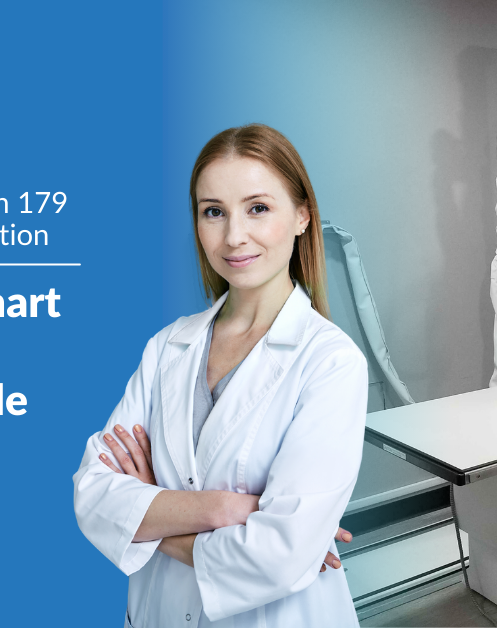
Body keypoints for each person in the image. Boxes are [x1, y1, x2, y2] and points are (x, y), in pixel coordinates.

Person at [73, 124, 368, 627]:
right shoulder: (167, 347)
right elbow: (93, 495)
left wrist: (151, 518)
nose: (233, 236)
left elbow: (279, 554)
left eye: (258, 208)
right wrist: (223, 508)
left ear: (301, 216)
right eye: (214, 212)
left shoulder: (330, 362)